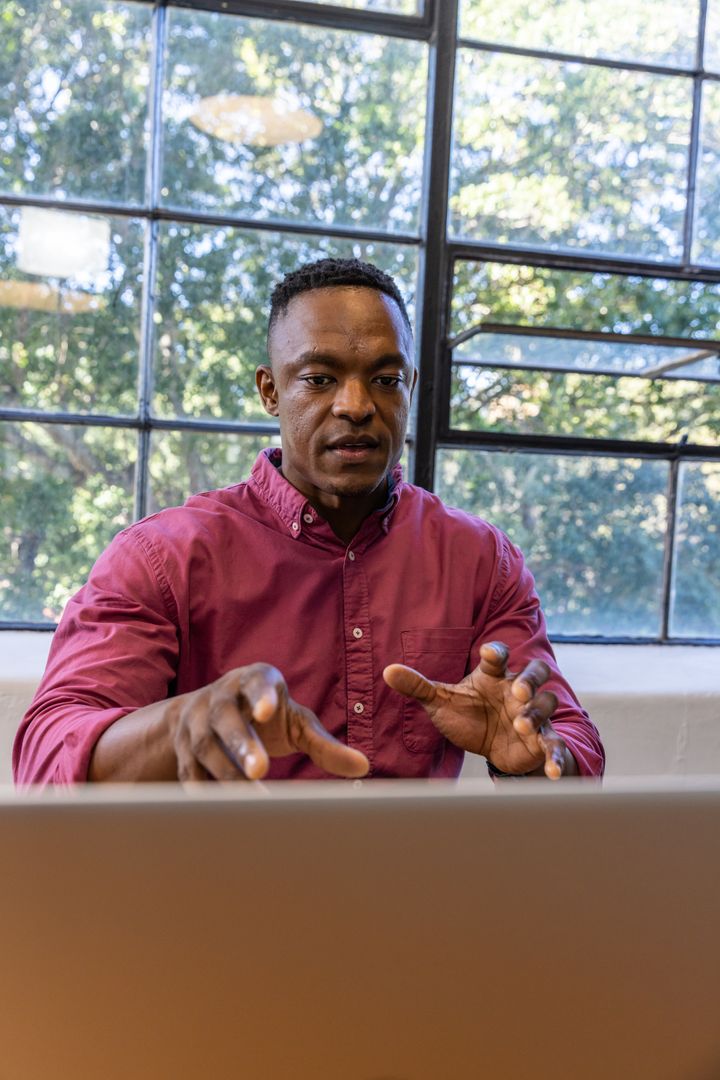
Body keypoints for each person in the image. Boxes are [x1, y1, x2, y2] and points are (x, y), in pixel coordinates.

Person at [14, 258, 604, 786]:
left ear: (410, 388)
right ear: (270, 390)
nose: (356, 405)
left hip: (411, 894)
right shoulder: (162, 557)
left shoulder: (480, 559)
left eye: (385, 379)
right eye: (320, 379)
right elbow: (45, 757)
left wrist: (528, 757)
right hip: (214, 895)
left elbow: (572, 745)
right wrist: (177, 725)